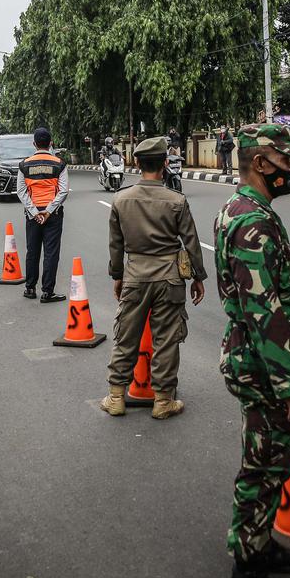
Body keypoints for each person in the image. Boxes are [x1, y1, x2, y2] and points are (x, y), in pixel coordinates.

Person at [212, 123, 290, 578]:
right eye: (286, 160)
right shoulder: (252, 221)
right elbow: (264, 311)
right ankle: (246, 577)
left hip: (256, 360)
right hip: (263, 365)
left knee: (272, 460)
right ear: (260, 163)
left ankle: (261, 543)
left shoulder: (240, 208)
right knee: (264, 464)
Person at [99, 135, 207, 420]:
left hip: (135, 276)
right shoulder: (176, 200)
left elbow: (116, 245)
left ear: (136, 163)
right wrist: (198, 277)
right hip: (170, 279)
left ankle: (116, 398)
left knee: (125, 336)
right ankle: (162, 401)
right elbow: (191, 243)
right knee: (166, 340)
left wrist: (118, 276)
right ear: (164, 164)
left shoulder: (121, 200)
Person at [15, 127, 69, 302]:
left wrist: (34, 212)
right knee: (51, 253)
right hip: (52, 214)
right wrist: (48, 211)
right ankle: (47, 292)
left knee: (33, 251)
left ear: (34, 144)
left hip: (33, 215)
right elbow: (63, 192)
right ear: (51, 143)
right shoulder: (59, 164)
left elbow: (21, 191)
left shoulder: (24, 164)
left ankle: (30, 288)